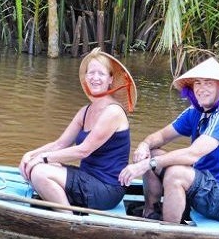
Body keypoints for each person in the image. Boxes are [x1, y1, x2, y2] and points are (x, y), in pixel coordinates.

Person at [118, 57, 219, 224]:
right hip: (204, 184)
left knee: (175, 174)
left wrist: (148, 164)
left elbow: (192, 155)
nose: (202, 89)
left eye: (208, 83)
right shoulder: (195, 111)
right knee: (150, 153)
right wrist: (144, 145)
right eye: (198, 83)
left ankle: (169, 233)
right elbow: (161, 136)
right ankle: (151, 212)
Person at [18, 48, 137, 212]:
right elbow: (60, 144)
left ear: (110, 79)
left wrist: (43, 159)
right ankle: (65, 208)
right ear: (86, 77)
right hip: (87, 178)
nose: (95, 78)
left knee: (39, 173)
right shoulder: (85, 111)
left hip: (106, 189)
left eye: (101, 74)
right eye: (91, 73)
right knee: (32, 169)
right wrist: (31, 155)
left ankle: (67, 220)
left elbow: (83, 150)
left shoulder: (113, 112)